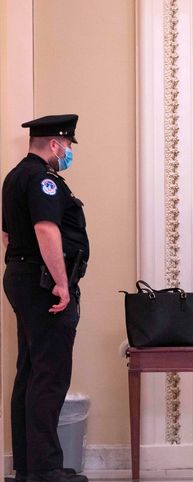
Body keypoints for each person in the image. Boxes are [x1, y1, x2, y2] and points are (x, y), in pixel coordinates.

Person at [2, 115, 90, 482]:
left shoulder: (15, 176)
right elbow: (45, 228)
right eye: (67, 146)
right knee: (49, 376)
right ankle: (45, 469)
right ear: (54, 144)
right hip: (42, 284)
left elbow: (8, 235)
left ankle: (29, 465)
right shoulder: (42, 179)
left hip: (24, 279)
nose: (68, 153)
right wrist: (60, 283)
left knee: (31, 371)